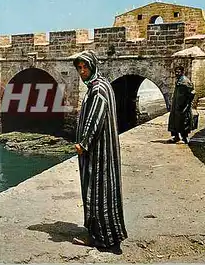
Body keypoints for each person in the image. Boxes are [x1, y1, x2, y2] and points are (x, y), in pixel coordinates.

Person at [72, 50, 128, 254]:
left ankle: (99, 238)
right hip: (104, 151)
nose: (82, 71)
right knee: (105, 193)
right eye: (79, 68)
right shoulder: (103, 85)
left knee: (96, 192)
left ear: (93, 66)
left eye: (84, 67)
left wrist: (83, 143)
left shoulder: (97, 89)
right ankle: (110, 235)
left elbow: (95, 119)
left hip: (98, 153)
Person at [168, 66, 195, 143]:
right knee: (174, 121)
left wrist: (188, 103)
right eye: (176, 72)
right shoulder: (179, 80)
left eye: (178, 72)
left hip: (183, 106)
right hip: (176, 105)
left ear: (182, 72)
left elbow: (192, 93)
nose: (176, 73)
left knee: (184, 121)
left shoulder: (185, 81)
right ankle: (176, 136)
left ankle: (185, 137)